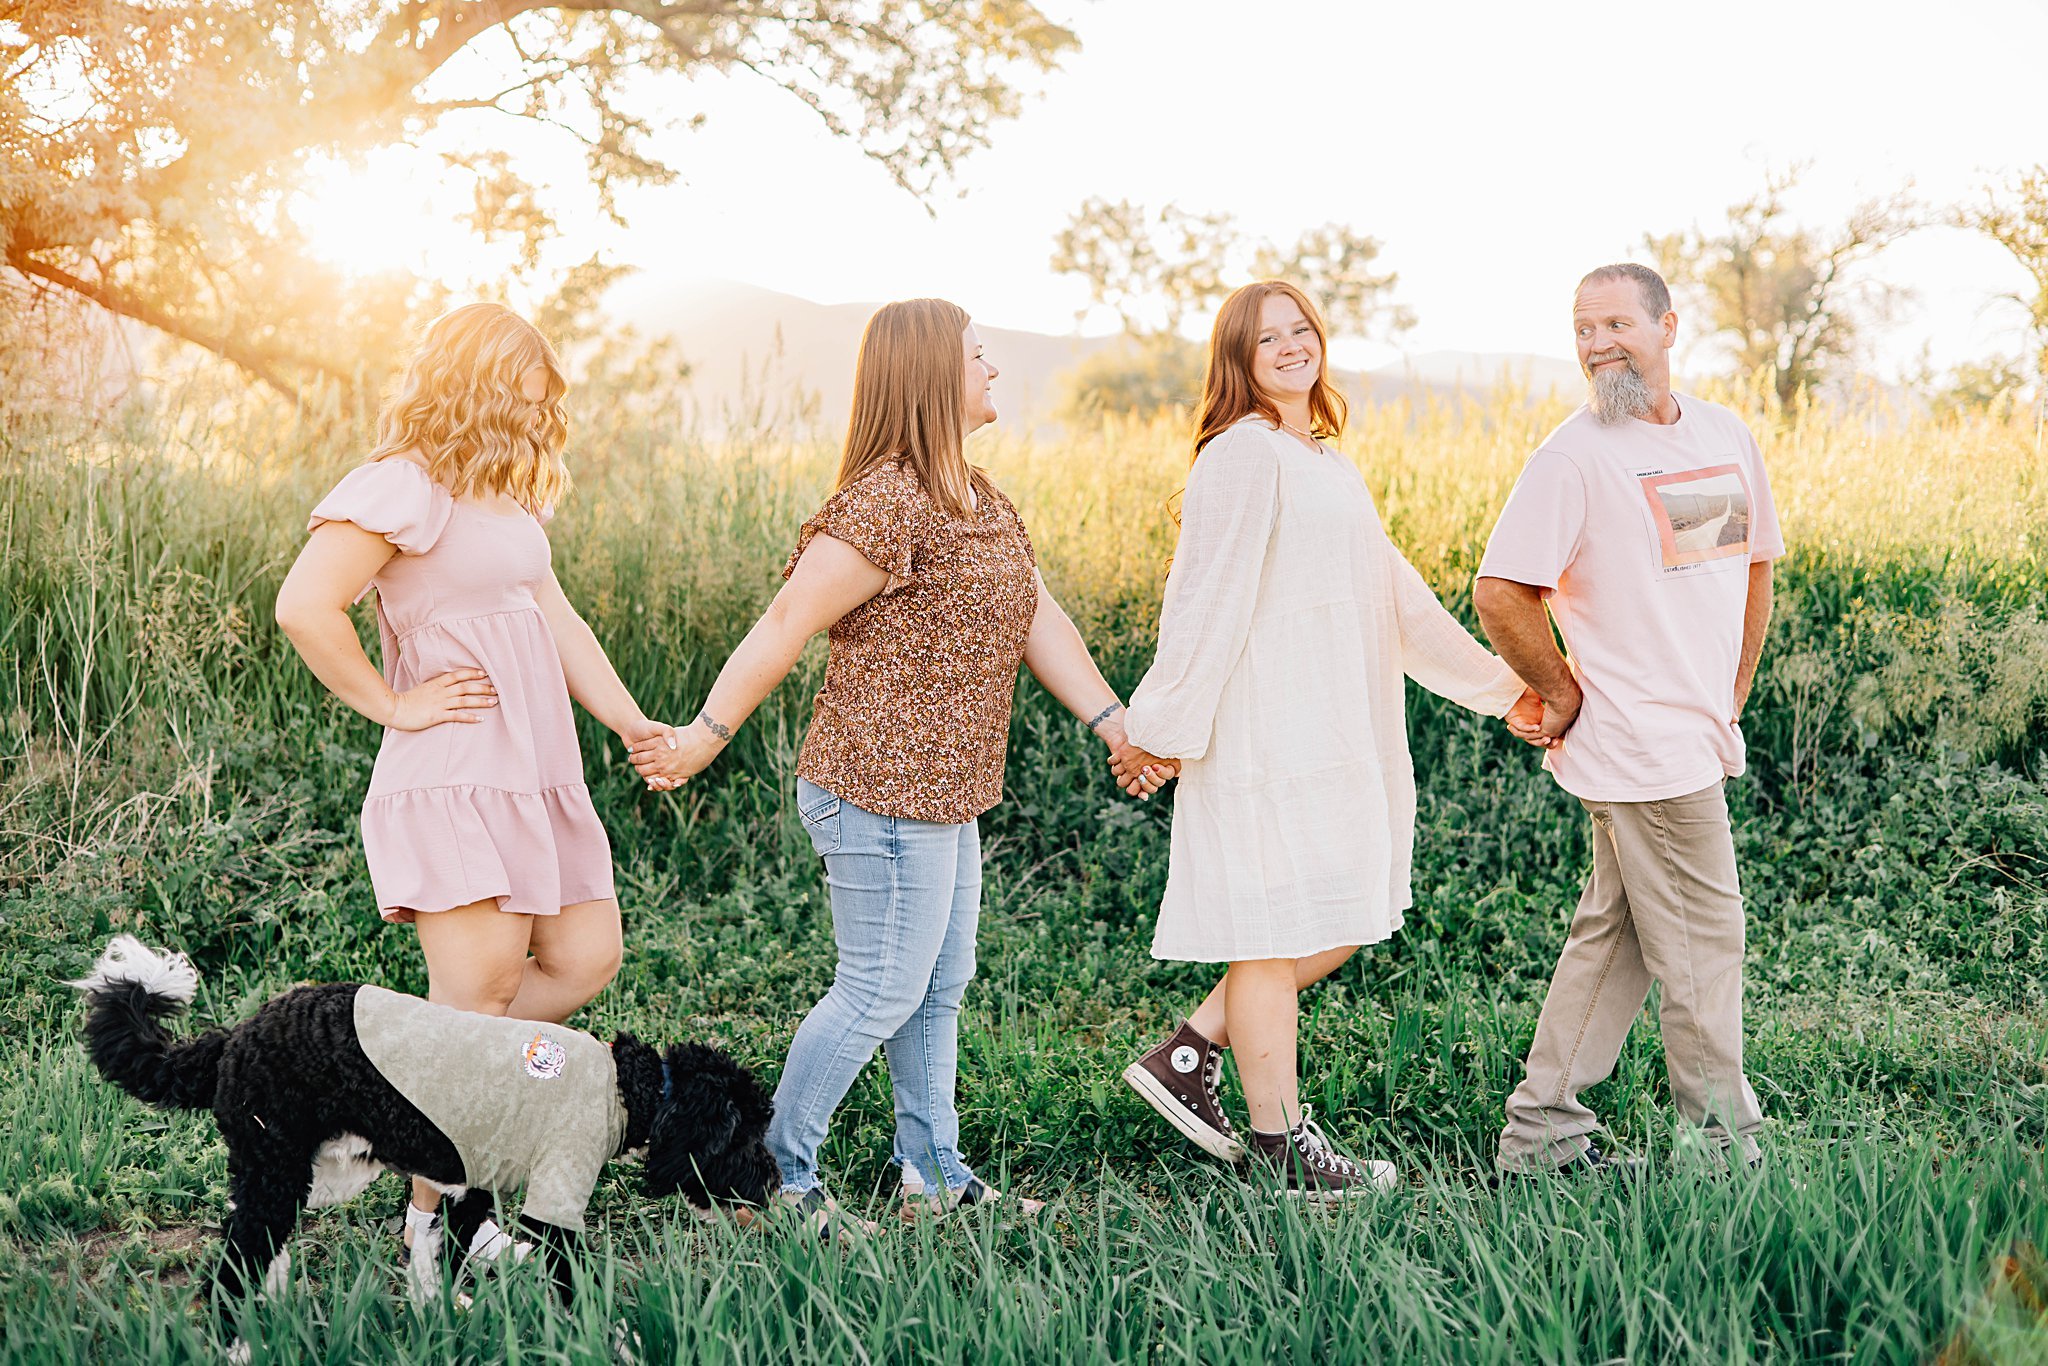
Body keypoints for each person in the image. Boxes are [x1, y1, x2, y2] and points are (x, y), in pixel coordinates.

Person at [629, 297, 1166, 1235]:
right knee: (878, 988)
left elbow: (1041, 620)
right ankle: (777, 1179)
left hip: (946, 798)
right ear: (928, 377)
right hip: (875, 794)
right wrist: (702, 737)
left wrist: (1114, 723)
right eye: (978, 358)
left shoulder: (981, 497)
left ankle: (933, 1172)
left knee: (936, 987)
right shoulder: (885, 502)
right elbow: (786, 623)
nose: (993, 371)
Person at [1113, 281, 1541, 1199]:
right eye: (1266, 338)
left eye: (1301, 328)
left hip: (1334, 724)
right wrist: (1162, 730)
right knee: (1271, 935)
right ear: (1238, 359)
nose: (1290, 346)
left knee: (1343, 914)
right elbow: (1203, 602)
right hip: (1262, 732)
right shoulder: (1240, 455)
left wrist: (1505, 691)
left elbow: (1399, 602)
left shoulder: (1326, 463)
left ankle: (1189, 1055)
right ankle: (1282, 1146)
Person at [275, 302, 674, 1266]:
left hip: (536, 774)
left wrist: (630, 723)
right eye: (522, 403)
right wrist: (393, 704)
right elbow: (304, 605)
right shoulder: (401, 487)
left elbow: (559, 624)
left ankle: (393, 1089)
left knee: (583, 959)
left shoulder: (508, 503)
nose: (537, 423)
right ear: (472, 392)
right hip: (453, 772)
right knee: (483, 992)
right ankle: (437, 1225)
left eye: (544, 408)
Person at [1475, 262, 1780, 1175]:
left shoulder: (1723, 435)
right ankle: (1723, 1152)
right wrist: (1563, 692)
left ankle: (1541, 1136)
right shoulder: (1573, 457)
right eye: (1583, 329)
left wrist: (1733, 689)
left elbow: (1753, 565)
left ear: (1668, 326)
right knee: (1702, 942)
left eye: (1616, 323)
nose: (1598, 343)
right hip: (1640, 747)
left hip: (1693, 731)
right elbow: (1501, 592)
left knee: (1619, 938)